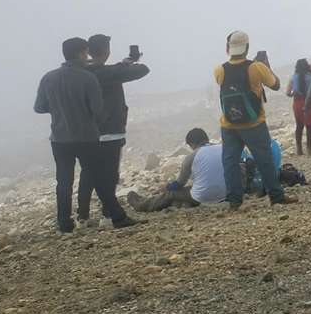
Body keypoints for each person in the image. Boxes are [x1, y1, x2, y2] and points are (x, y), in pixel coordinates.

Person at [35, 37, 131, 232]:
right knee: (99, 177)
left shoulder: (48, 78)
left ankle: (64, 222)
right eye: (86, 52)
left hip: (59, 139)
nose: (88, 56)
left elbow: (39, 107)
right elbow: (98, 110)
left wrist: (60, 110)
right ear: (81, 53)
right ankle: (117, 216)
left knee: (63, 182)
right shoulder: (88, 78)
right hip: (86, 137)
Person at [79, 35, 149, 225]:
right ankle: (108, 215)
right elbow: (143, 70)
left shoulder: (82, 72)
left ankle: (82, 216)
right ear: (107, 51)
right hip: (110, 130)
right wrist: (127, 64)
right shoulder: (107, 73)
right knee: (110, 175)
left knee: (88, 174)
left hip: (88, 133)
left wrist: (122, 64)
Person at [214, 31, 285, 207]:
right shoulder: (256, 67)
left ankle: (234, 201)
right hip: (254, 123)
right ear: (247, 47)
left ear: (228, 48)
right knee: (264, 160)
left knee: (230, 162)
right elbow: (276, 85)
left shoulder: (219, 70)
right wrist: (266, 67)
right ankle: (276, 196)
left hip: (229, 124)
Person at [129, 128, 211, 212]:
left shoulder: (191, 157)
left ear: (192, 144)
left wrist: (167, 187)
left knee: (171, 193)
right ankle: (179, 203)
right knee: (190, 190)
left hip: (205, 196)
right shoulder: (223, 148)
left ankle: (142, 205)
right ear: (206, 138)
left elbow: (179, 184)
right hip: (224, 194)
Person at [286, 57, 311, 155]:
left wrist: (293, 94)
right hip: (310, 102)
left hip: (298, 102)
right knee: (310, 126)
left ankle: (299, 149)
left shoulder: (293, 77)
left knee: (299, 126)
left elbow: (288, 93)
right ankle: (309, 149)